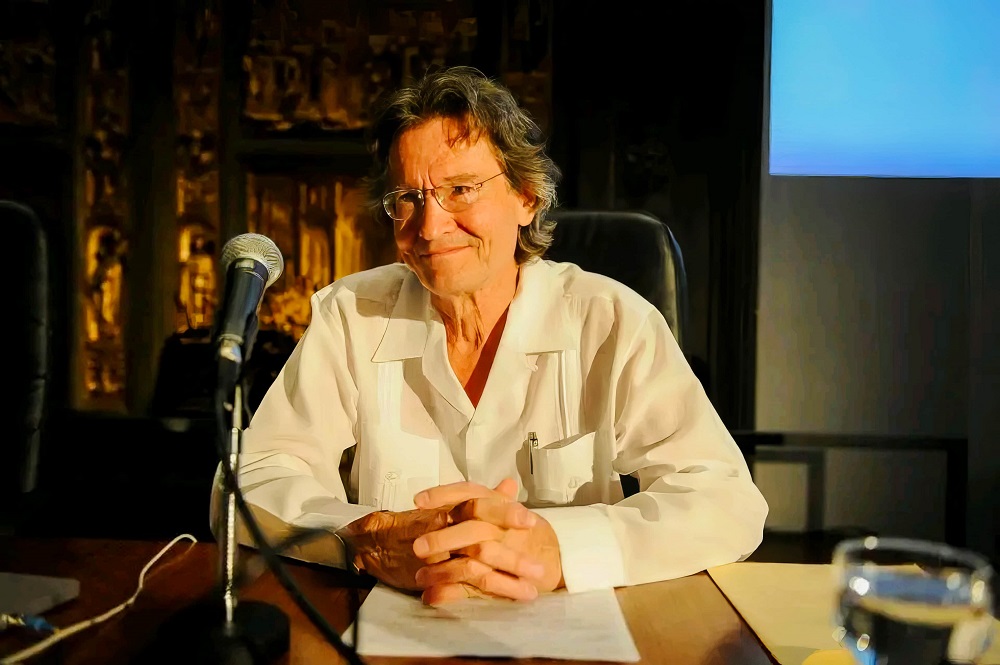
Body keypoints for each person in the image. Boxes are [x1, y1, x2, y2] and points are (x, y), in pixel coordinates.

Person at [214, 65, 768, 606]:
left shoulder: (610, 321)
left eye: (460, 189)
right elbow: (247, 483)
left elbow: (726, 499)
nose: (430, 227)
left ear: (527, 196)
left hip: (567, 624)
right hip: (396, 623)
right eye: (407, 198)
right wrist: (364, 536)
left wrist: (559, 547)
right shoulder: (352, 315)